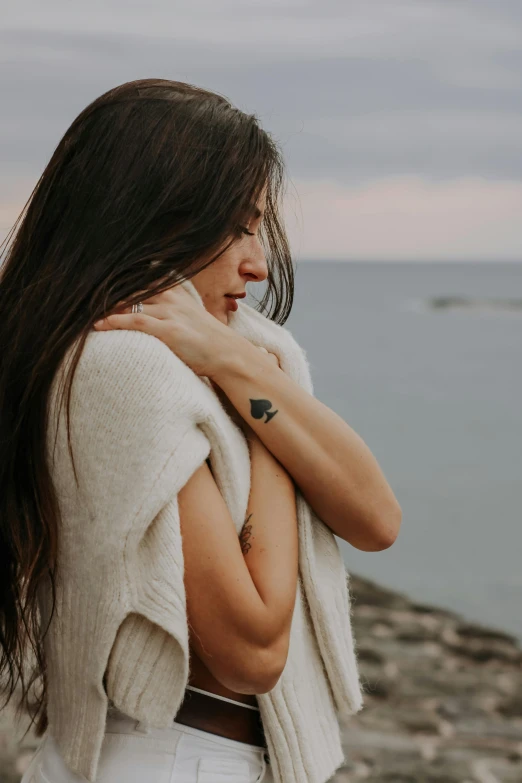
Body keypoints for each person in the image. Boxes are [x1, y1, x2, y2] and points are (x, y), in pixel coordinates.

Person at [0, 78, 401, 783]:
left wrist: (236, 365)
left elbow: (376, 517)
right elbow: (251, 648)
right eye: (238, 225)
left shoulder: (236, 351)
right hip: (165, 757)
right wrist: (260, 419)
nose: (259, 262)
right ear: (155, 215)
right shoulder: (120, 365)